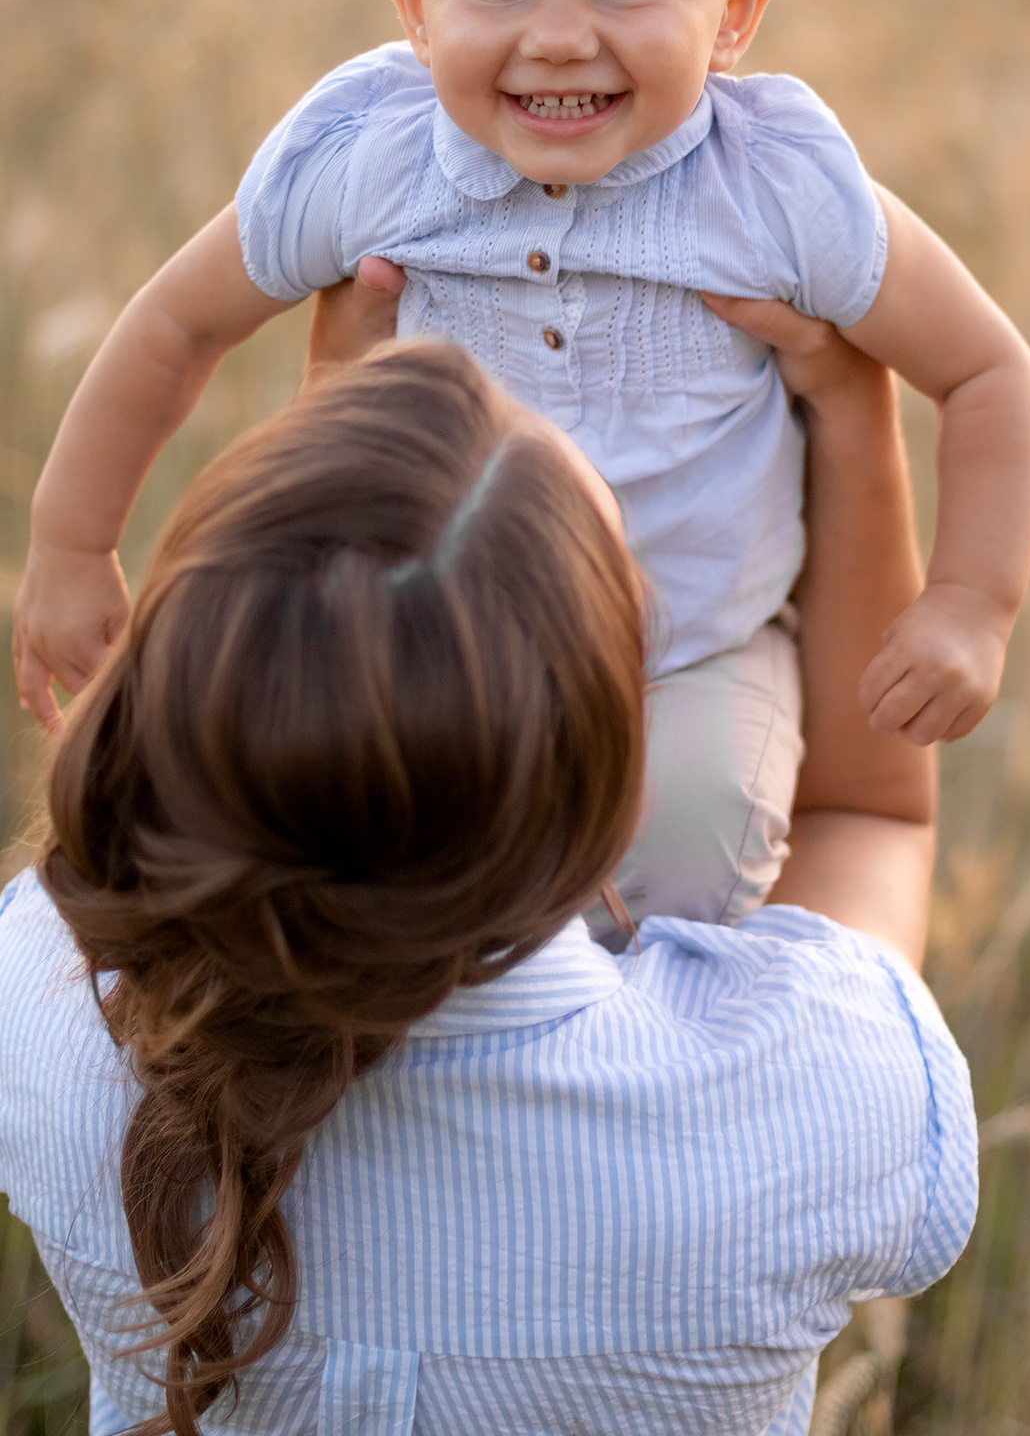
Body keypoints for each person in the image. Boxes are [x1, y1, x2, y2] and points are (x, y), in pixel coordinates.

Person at [12, 0, 1030, 936]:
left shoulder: (776, 188)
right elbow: (176, 326)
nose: (558, 37)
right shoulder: (372, 161)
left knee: (680, 850)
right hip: (427, 644)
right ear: (411, 1)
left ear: (734, 10)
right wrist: (72, 544)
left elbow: (985, 370)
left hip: (690, 653)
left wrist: (970, 603)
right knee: (349, 857)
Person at [0, 325, 975, 1436]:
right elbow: (869, 818)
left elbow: (289, 735)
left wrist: (328, 545)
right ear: (619, 789)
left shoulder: (44, 1002)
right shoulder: (801, 1109)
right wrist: (852, 410)